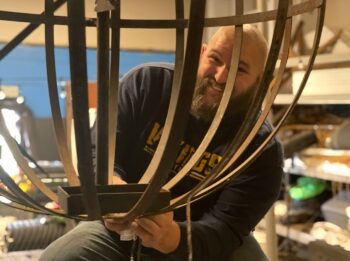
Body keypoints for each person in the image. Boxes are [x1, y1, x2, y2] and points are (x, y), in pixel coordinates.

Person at [40, 25, 284, 261]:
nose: (221, 77)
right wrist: (114, 193)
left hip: (199, 238)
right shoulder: (147, 84)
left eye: (239, 69)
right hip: (120, 227)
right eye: (215, 59)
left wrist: (170, 237)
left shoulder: (261, 148)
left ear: (261, 80)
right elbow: (98, 151)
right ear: (201, 54)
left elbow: (227, 229)